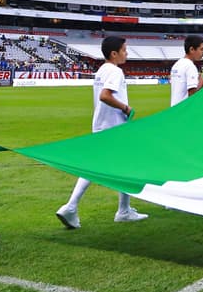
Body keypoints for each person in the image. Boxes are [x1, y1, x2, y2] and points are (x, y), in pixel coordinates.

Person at [56, 35, 152, 229]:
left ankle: (73, 207)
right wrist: (126, 108)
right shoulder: (115, 72)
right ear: (114, 53)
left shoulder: (102, 70)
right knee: (125, 167)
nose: (127, 53)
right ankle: (120, 211)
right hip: (114, 127)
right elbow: (105, 96)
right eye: (124, 50)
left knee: (98, 167)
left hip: (101, 125)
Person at [170, 34, 203, 107]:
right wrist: (202, 80)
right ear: (192, 49)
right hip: (184, 110)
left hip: (174, 108)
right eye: (201, 49)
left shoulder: (176, 64)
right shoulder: (190, 66)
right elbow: (192, 95)